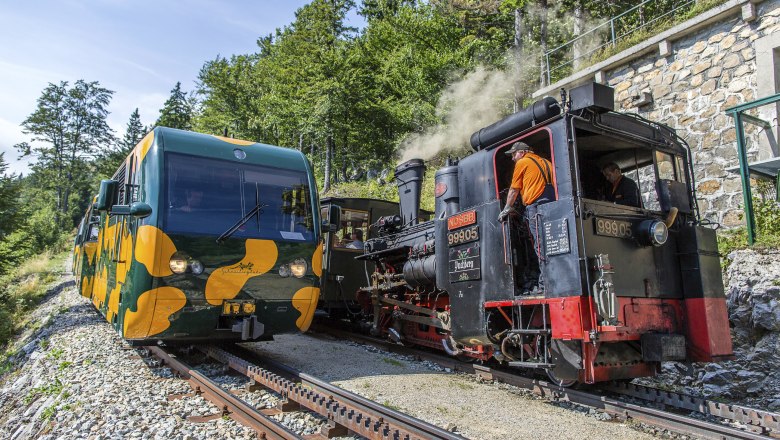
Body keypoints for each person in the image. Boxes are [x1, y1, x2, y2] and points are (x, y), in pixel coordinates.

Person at [498, 141, 555, 293]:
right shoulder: (547, 162)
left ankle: (544, 284)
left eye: (513, 154)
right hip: (552, 205)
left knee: (539, 245)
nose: (512, 158)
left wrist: (507, 208)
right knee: (550, 244)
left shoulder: (522, 162)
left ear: (522, 152)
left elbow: (514, 189)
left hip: (535, 207)